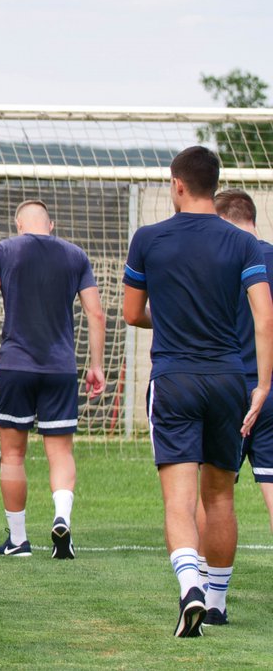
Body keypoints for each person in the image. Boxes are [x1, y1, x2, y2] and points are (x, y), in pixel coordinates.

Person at [122, 146, 271, 638]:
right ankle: (218, 602)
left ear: (178, 184)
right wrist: (262, 385)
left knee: (180, 500)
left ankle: (190, 587)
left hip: (174, 379)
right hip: (230, 379)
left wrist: (171, 317)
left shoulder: (148, 238)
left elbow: (132, 313)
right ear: (215, 184)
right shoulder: (244, 243)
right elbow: (264, 316)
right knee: (221, 496)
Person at [0, 200, 105, 559]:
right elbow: (96, 313)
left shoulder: (2, 251)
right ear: (50, 224)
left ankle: (18, 540)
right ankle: (62, 518)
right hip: (61, 369)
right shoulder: (76, 255)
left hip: (16, 367)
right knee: (61, 452)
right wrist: (96, 366)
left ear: (19, 225)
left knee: (12, 455)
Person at [192, 188, 273, 626]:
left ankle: (211, 595)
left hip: (229, 388)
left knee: (215, 494)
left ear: (224, 221)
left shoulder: (219, 260)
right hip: (270, 389)